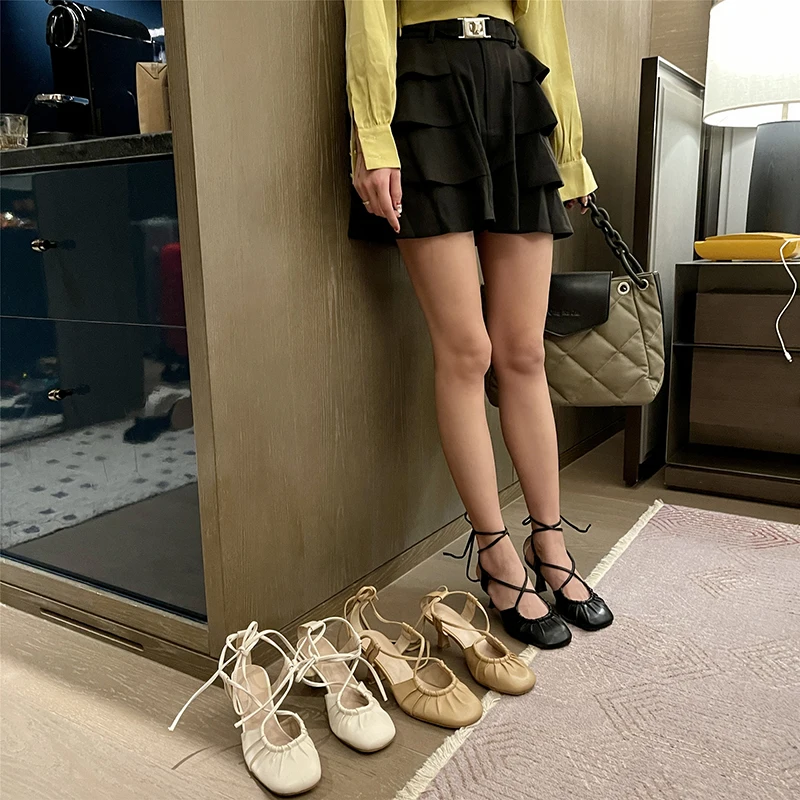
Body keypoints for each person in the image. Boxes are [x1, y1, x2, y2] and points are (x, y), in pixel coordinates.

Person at [345, 0, 613, 648]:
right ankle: (495, 553)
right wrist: (373, 137)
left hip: (515, 92)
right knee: (467, 351)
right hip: (423, 90)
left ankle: (548, 542)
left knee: (524, 351)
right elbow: (369, 15)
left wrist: (568, 152)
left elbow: (543, 21)